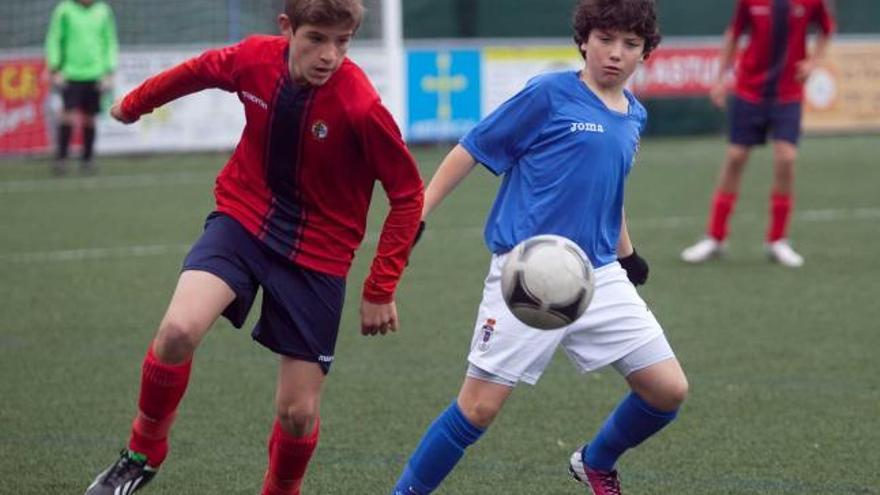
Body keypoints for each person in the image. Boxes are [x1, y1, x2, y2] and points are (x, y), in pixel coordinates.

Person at [83, 1, 424, 494]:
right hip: (244, 220)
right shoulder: (254, 60)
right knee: (177, 330)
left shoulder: (361, 108)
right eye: (316, 39)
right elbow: (198, 71)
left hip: (318, 256)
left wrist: (380, 287)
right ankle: (141, 453)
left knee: (298, 414)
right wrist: (135, 103)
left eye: (342, 42)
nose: (329, 55)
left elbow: (408, 195)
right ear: (287, 29)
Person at [390, 1, 687, 494]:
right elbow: (472, 147)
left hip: (597, 273)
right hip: (527, 274)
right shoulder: (550, 94)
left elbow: (607, 190)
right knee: (477, 408)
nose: (615, 54)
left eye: (630, 45)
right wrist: (417, 214)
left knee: (667, 390)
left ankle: (595, 461)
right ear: (584, 40)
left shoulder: (634, 114)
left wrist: (626, 253)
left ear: (646, 52)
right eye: (605, 39)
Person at [680, 0, 835, 268]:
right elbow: (733, 35)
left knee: (786, 158)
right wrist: (719, 79)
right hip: (748, 91)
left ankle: (778, 240)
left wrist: (813, 63)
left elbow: (826, 29)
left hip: (788, 94)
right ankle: (715, 237)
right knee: (736, 157)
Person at [44, 0, 118, 175]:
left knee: (90, 117)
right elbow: (54, 39)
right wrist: (55, 68)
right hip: (70, 73)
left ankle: (87, 159)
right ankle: (61, 159)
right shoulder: (64, 10)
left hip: (96, 73)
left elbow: (110, 41)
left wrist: (109, 71)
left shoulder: (103, 10)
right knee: (67, 115)